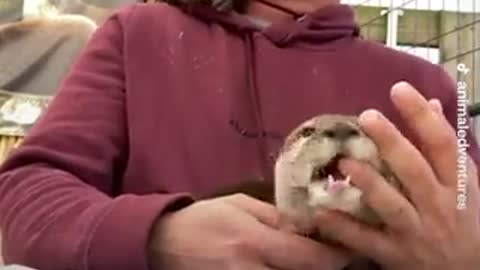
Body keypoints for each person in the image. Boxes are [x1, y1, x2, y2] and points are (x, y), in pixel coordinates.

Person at [0, 0, 479, 269]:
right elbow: (23, 194)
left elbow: (469, 216)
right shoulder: (138, 34)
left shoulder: (430, 88)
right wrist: (157, 236)